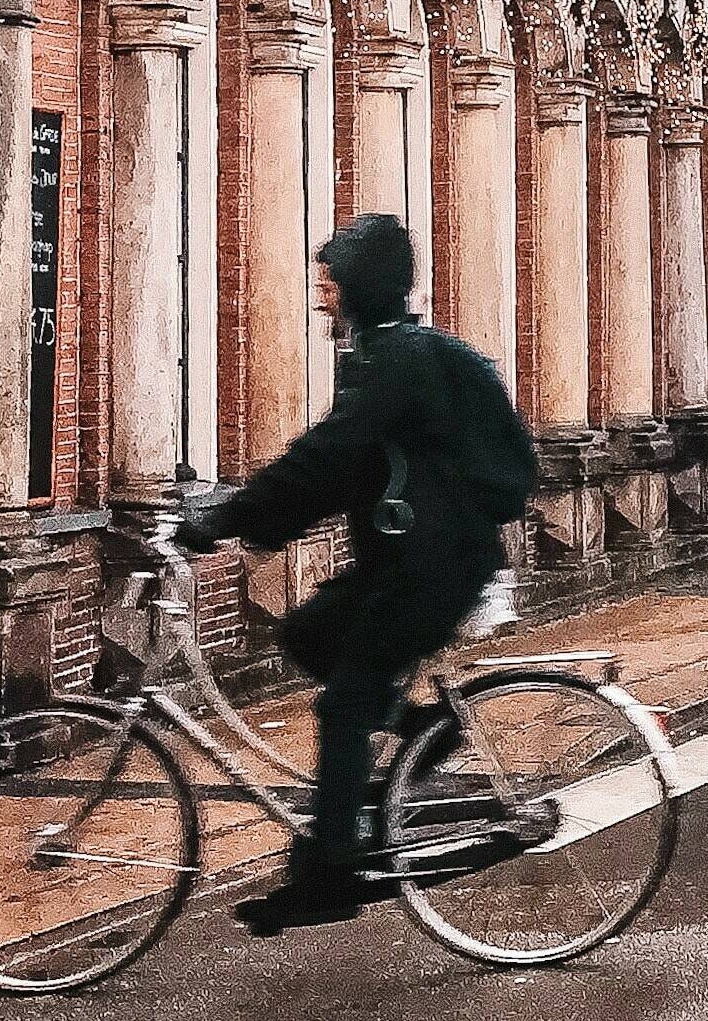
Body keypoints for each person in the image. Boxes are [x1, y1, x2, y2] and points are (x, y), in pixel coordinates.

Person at [176, 215, 537, 935]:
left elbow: (330, 454)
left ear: (360, 287)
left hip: (435, 566)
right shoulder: (397, 353)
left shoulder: (398, 361)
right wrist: (258, 521)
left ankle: (329, 871)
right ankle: (424, 730)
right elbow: (346, 471)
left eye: (331, 284)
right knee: (307, 635)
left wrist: (223, 519)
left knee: (344, 706)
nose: (322, 298)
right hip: (412, 560)